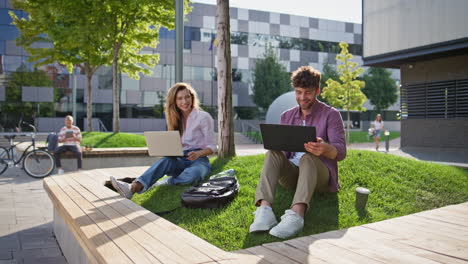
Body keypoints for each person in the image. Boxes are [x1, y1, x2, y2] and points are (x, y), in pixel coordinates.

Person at [249, 66, 346, 239]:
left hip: (319, 175)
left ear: (317, 90)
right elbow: (281, 151)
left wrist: (325, 148)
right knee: (272, 153)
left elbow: (340, 152)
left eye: (308, 92)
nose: (302, 97)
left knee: (309, 157)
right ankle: (265, 210)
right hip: (292, 174)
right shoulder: (287, 116)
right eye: (298, 92)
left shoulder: (331, 115)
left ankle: (297, 215)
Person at [110, 83, 216, 199]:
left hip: (198, 160)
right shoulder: (174, 118)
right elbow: (173, 143)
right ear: (174, 101)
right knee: (165, 161)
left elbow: (212, 147)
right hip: (179, 158)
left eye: (187, 97)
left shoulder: (203, 117)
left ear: (192, 97)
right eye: (180, 98)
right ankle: (132, 188)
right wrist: (167, 150)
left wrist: (198, 153)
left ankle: (165, 182)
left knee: (193, 174)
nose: (184, 101)